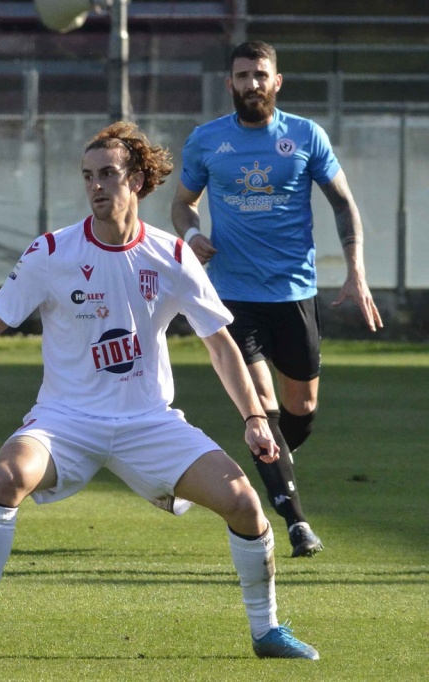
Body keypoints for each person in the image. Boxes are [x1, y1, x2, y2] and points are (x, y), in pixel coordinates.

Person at [0, 121, 319, 660]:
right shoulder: (50, 252)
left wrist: (254, 415)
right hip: (65, 420)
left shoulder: (172, 256)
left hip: (150, 422)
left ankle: (267, 630)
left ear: (135, 180)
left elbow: (220, 345)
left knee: (245, 505)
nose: (96, 186)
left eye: (108, 174)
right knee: (7, 474)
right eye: (88, 176)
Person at [170, 40, 383, 558]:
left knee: (300, 408)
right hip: (233, 296)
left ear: (277, 81)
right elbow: (181, 205)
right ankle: (295, 521)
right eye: (242, 76)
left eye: (260, 75)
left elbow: (343, 204)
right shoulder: (206, 142)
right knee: (261, 407)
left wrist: (356, 270)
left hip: (294, 293)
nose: (251, 84)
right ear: (230, 84)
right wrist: (192, 234)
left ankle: (253, 466)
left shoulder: (306, 136)